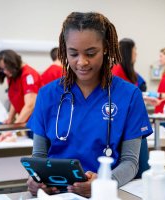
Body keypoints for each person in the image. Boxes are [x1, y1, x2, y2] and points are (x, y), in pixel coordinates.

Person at [26, 11, 152, 197]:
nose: (82, 62)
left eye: (91, 53)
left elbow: (130, 162)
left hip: (106, 193)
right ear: (64, 51)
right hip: (58, 194)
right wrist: (36, 180)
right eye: (73, 53)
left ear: (106, 49)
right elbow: (39, 157)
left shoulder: (129, 95)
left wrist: (103, 183)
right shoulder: (47, 95)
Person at [0, 50, 43, 139]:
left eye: (5, 68)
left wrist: (13, 128)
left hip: (39, 124)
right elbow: (15, 99)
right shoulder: (12, 76)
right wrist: (10, 119)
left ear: (13, 64)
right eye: (2, 69)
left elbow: (30, 105)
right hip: (28, 123)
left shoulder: (28, 75)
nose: (4, 72)